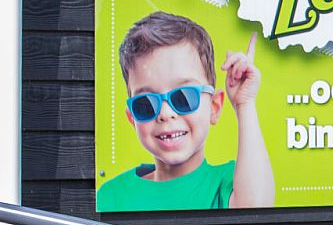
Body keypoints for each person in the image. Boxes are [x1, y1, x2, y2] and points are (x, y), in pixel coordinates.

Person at [97, 12, 274, 211]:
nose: (165, 113)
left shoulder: (232, 182)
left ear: (214, 107)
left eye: (184, 97)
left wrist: (245, 104)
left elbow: (256, 207)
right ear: (132, 119)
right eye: (146, 103)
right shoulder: (112, 196)